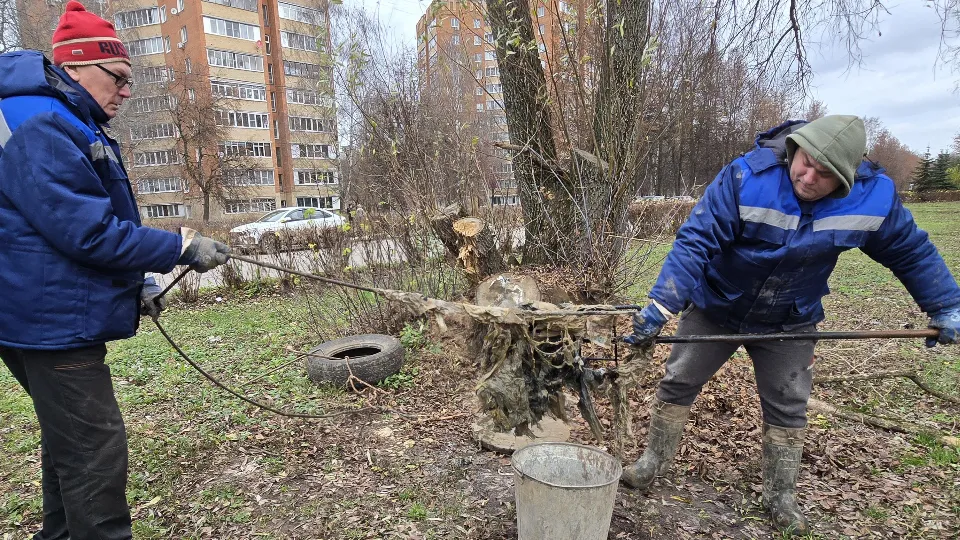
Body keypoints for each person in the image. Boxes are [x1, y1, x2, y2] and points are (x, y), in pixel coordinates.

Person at [622, 115, 960, 535]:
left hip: (791, 318)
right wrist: (661, 304)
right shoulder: (747, 177)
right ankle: (652, 462)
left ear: (848, 177)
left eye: (825, 173)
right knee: (678, 380)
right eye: (805, 161)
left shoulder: (873, 199)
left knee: (788, 402)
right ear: (794, 147)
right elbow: (697, 240)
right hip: (718, 305)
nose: (808, 175)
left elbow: (910, 252)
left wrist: (946, 304)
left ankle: (780, 497)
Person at [0, 2, 230, 538]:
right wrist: (182, 246)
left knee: (69, 445)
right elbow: (88, 234)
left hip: (42, 312)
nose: (127, 91)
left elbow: (80, 223)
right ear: (76, 67)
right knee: (93, 457)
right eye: (119, 78)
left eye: (130, 80)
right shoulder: (43, 125)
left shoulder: (68, 118)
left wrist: (139, 279)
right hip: (49, 324)